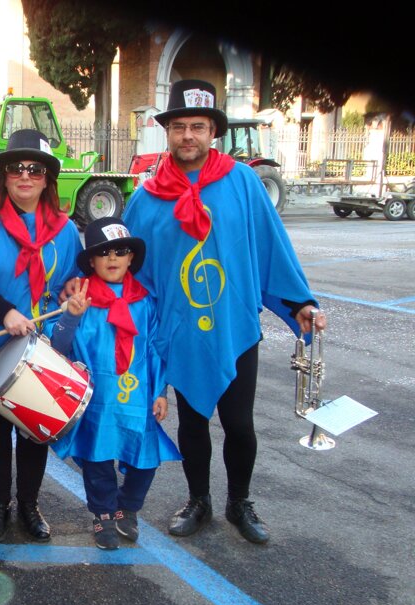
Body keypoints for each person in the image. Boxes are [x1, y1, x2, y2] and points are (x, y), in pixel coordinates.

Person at [122, 79, 326, 544]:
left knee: (238, 423)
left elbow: (271, 247)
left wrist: (300, 303)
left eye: (198, 126)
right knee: (193, 422)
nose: (187, 136)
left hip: (234, 327)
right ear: (168, 132)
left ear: (213, 131)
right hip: (181, 331)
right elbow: (126, 269)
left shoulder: (243, 183)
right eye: (179, 127)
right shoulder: (147, 197)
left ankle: (240, 501)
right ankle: (199, 500)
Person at [0, 129, 82, 543]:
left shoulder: (64, 230)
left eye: (35, 169)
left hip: (42, 345)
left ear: (46, 178)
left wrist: (73, 290)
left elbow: (71, 278)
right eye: (15, 168)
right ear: (3, 175)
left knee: (36, 429)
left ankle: (30, 506)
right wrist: (6, 311)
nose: (24, 176)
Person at [49, 218, 180, 550]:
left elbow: (154, 349)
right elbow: (59, 347)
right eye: (103, 252)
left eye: (120, 251)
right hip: (99, 398)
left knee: (144, 459)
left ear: (131, 258)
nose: (112, 258)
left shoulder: (145, 302)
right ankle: (103, 513)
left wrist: (160, 392)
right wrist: (71, 316)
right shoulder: (82, 298)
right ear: (91, 260)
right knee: (98, 457)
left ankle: (128, 507)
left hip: (138, 395)